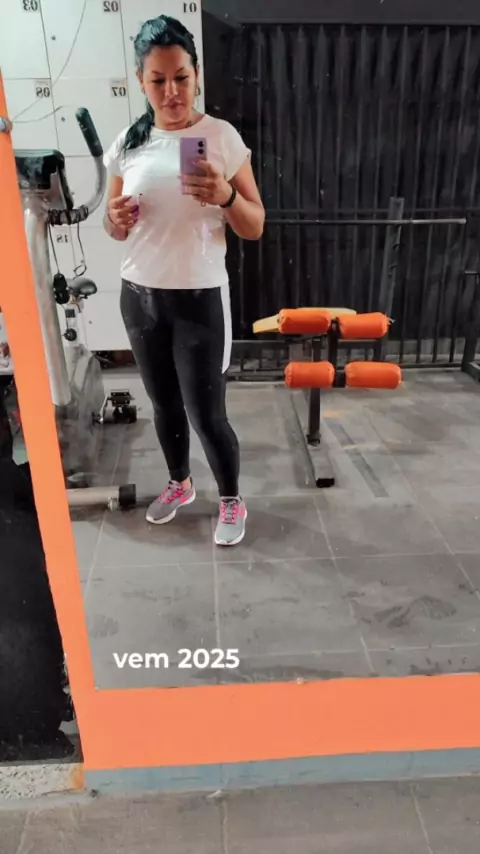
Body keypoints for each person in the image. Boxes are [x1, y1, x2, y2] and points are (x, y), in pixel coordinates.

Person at [103, 15, 264, 546]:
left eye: (181, 77)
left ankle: (232, 499)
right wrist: (115, 219)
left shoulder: (220, 138)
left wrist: (225, 196)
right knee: (163, 405)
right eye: (158, 80)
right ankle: (180, 484)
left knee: (206, 413)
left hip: (199, 300)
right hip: (139, 297)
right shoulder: (128, 142)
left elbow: (255, 225)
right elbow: (113, 225)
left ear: (197, 76)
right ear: (140, 81)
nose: (171, 92)